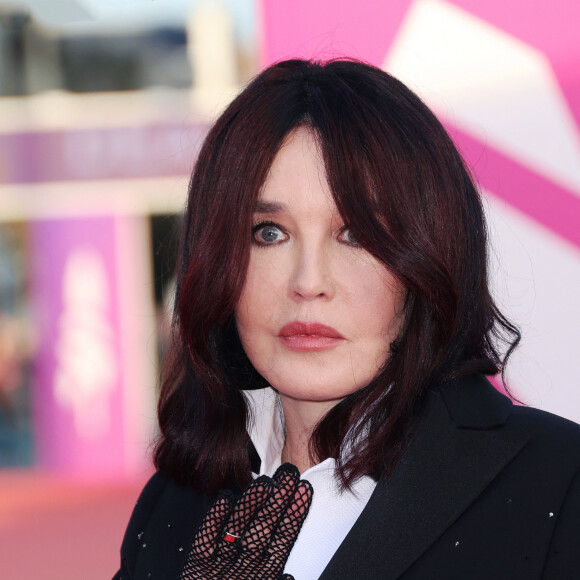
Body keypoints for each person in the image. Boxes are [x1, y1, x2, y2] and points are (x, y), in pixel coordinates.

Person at [114, 59, 580, 579]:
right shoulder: (174, 502)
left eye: (355, 233)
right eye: (269, 233)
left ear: (427, 256)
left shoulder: (560, 481)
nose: (308, 282)